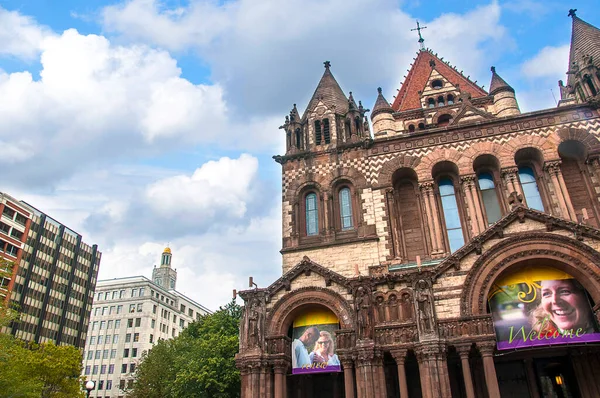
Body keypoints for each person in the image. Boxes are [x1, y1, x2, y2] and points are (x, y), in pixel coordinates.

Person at [530, 278, 597, 336]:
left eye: (564, 291)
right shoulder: (541, 344)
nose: (554, 301)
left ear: (588, 296)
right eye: (546, 294)